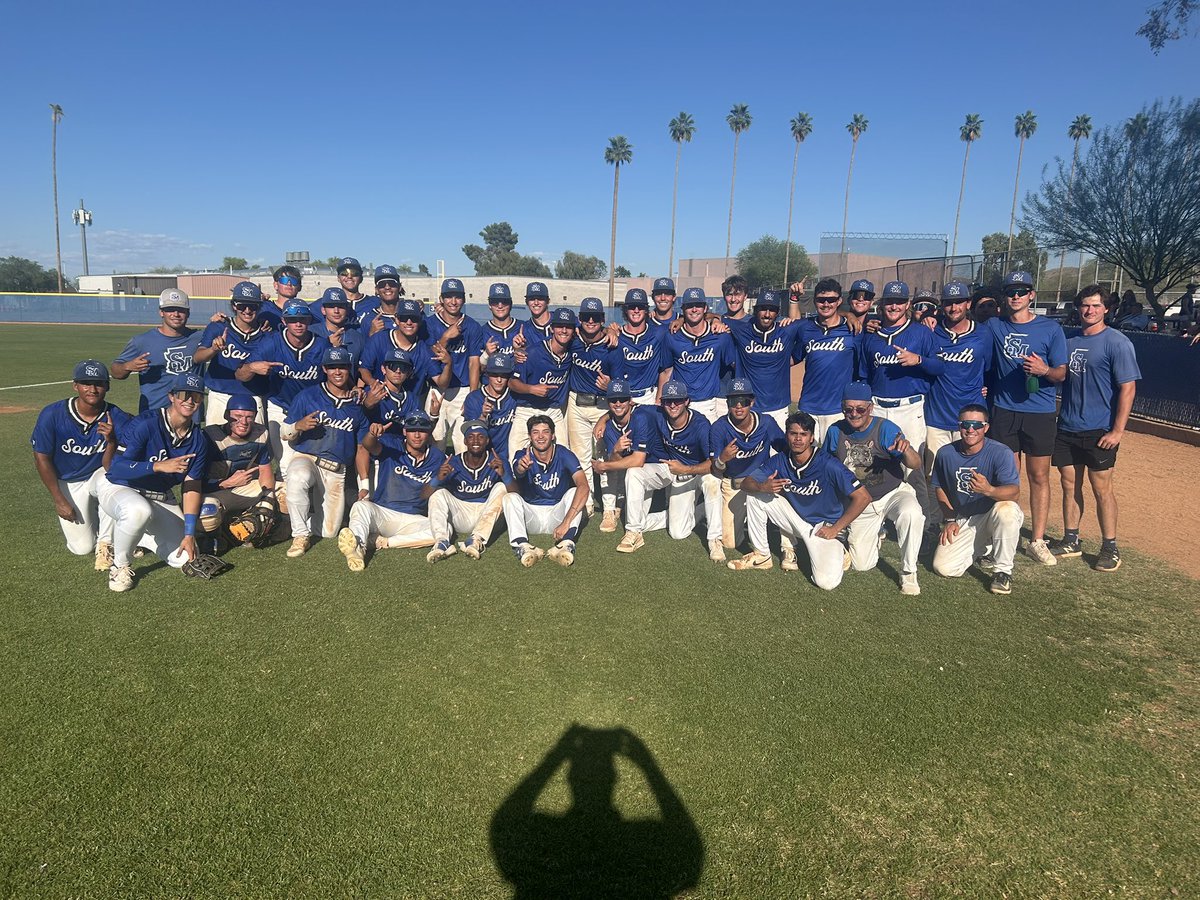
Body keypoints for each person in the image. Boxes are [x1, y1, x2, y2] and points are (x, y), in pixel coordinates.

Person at [1048, 285, 1141, 571]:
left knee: (1102, 488)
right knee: (1068, 485)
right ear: (1078, 308)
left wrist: (1117, 431)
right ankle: (1071, 539)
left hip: (1100, 429)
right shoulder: (1068, 340)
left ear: (1106, 309)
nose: (1089, 311)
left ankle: (1109, 546)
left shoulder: (1117, 342)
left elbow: (1128, 389)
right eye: (1085, 306)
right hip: (1067, 426)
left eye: (1096, 306)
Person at [982, 271, 1068, 566]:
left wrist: (1044, 371)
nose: (1015, 296)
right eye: (1010, 291)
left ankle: (1037, 540)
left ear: (1032, 294)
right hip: (1004, 411)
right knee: (1007, 476)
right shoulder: (994, 325)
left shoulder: (1050, 329)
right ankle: (1004, 539)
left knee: (1039, 476)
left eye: (1022, 291)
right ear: (1004, 298)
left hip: (1040, 413)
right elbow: (964, 320)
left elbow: (1061, 373)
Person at [730, 412, 871, 591]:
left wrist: (836, 529)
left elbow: (863, 497)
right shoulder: (780, 460)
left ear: (811, 438)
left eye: (803, 434)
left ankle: (839, 550)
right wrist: (763, 487)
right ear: (786, 435)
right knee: (755, 495)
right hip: (797, 520)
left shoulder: (828, 464)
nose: (798, 439)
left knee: (826, 583)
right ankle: (762, 555)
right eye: (793, 433)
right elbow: (747, 483)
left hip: (824, 528)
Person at [97, 372, 210, 592]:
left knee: (186, 557)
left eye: (196, 396)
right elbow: (115, 468)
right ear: (172, 396)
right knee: (138, 511)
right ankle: (119, 567)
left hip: (159, 495)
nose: (190, 400)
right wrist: (157, 466)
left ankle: (142, 536)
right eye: (185, 394)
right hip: (120, 486)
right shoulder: (146, 423)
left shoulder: (198, 439)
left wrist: (189, 533)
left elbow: (192, 486)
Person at [823, 383, 926, 594]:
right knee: (862, 565)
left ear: (870, 408)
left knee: (911, 513)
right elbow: (825, 466)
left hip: (892, 494)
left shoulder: (885, 428)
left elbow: (915, 464)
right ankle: (877, 531)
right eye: (848, 409)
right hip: (861, 503)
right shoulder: (835, 431)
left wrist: (906, 451)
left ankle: (909, 572)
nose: (854, 414)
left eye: (860, 409)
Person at [31, 360, 132, 569]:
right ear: (75, 385)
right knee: (81, 547)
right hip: (68, 481)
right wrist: (58, 499)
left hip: (98, 475)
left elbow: (116, 463)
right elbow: (41, 458)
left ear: (107, 386)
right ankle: (96, 519)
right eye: (86, 383)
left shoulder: (117, 417)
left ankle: (106, 543)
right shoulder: (53, 414)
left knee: (111, 477)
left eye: (99, 383)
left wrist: (112, 441)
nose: (92, 389)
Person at [857, 280, 945, 518]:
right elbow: (864, 375)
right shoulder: (871, 337)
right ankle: (877, 520)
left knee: (913, 467)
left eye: (899, 301)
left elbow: (940, 366)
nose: (893, 306)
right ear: (881, 304)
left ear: (907, 304)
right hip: (877, 408)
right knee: (874, 464)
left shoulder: (921, 333)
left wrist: (919, 361)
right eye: (889, 302)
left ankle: (924, 525)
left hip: (910, 407)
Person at [612, 381, 724, 562]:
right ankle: (634, 531)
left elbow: (713, 464)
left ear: (687, 401)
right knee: (678, 532)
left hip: (698, 472)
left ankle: (714, 539)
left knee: (712, 481)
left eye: (678, 401)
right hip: (672, 470)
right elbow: (628, 407)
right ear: (661, 402)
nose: (673, 405)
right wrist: (602, 420)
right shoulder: (656, 413)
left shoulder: (700, 424)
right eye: (668, 401)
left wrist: (686, 468)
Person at [280, 347, 370, 558]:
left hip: (336, 471)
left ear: (350, 369)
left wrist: (364, 485)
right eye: (332, 367)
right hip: (307, 458)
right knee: (297, 476)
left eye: (342, 367)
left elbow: (360, 448)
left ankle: (287, 517)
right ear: (324, 369)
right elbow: (284, 432)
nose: (337, 372)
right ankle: (300, 534)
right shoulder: (308, 395)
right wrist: (298, 426)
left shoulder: (357, 406)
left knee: (328, 532)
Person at [237, 299, 332, 493]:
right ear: (284, 320)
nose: (298, 324)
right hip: (280, 407)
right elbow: (240, 374)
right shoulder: (272, 342)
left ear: (309, 320)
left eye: (303, 319)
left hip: (312, 410)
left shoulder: (321, 344)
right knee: (285, 463)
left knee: (316, 461)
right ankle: (287, 511)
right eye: (292, 319)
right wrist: (252, 367)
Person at [930, 404, 1024, 595]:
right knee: (944, 568)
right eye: (966, 424)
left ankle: (1003, 572)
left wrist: (989, 490)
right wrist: (949, 519)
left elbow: (1014, 492)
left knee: (1007, 510)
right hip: (965, 517)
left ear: (986, 428)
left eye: (977, 425)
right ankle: (986, 546)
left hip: (992, 513)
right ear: (959, 426)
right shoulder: (945, 453)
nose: (971, 429)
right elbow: (940, 488)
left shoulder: (1001, 452)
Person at [339, 412, 445, 570]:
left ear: (429, 432)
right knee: (360, 506)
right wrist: (372, 434)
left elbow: (429, 493)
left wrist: (440, 478)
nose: (417, 435)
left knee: (443, 530)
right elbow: (368, 445)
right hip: (384, 513)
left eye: (422, 430)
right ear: (404, 431)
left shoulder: (438, 457)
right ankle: (358, 548)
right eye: (412, 430)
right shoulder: (391, 444)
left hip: (413, 518)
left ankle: (383, 542)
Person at [925, 281, 993, 522]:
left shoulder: (984, 333)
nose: (953, 307)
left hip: (971, 418)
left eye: (958, 302)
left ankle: (971, 522)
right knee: (934, 474)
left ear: (968, 304)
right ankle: (934, 523)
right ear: (941, 306)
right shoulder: (931, 331)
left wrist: (985, 390)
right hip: (937, 416)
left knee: (972, 475)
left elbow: (990, 369)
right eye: (948, 303)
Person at [708, 379, 786, 552]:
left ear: (752, 401)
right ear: (727, 403)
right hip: (733, 484)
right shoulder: (719, 428)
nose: (738, 406)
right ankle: (706, 510)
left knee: (787, 502)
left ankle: (788, 548)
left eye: (743, 401)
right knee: (730, 543)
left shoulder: (766, 422)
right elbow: (716, 469)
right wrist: (722, 458)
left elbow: (785, 451)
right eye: (733, 402)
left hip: (761, 480)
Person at [503, 415, 589, 567]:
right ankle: (522, 546)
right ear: (529, 436)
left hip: (557, 514)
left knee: (575, 492)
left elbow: (584, 485)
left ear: (553, 435)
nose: (540, 436)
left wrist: (566, 522)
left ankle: (566, 544)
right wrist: (522, 468)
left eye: (545, 432)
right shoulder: (522, 455)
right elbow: (519, 470)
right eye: (535, 432)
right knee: (510, 498)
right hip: (531, 516)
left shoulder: (564, 453)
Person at [199, 393, 276, 550]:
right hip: (213, 492)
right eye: (238, 416)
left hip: (243, 488)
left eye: (249, 417)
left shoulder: (260, 434)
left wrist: (268, 500)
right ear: (227, 415)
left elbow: (265, 471)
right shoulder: (209, 437)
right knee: (207, 512)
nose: (244, 422)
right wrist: (226, 483)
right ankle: (213, 536)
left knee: (282, 492)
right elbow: (194, 482)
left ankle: (268, 532)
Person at [425, 420, 510, 562]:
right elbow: (424, 495)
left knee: (502, 487)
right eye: (471, 437)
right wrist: (437, 479)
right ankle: (442, 542)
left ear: (487, 440)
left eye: (480, 437)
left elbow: (516, 494)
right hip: (461, 514)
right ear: (465, 441)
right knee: (438, 493)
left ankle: (476, 540)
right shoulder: (453, 462)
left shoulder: (497, 460)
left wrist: (504, 475)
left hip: (487, 515)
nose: (476, 440)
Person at [590, 380, 665, 535]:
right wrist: (616, 451)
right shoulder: (610, 427)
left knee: (632, 472)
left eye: (623, 399)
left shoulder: (642, 416)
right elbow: (615, 464)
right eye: (613, 400)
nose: (618, 403)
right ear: (608, 402)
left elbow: (638, 460)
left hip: (664, 464)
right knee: (640, 523)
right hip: (642, 471)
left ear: (630, 400)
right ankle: (612, 509)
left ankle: (685, 513)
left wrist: (603, 466)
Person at [110, 288, 204, 413]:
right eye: (170, 309)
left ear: (188, 313)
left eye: (181, 310)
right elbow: (116, 372)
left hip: (189, 413)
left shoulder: (200, 337)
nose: (176, 314)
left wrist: (218, 320)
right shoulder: (142, 341)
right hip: (153, 413)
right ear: (161, 312)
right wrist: (127, 366)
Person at [195, 281, 274, 425]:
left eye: (253, 305)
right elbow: (198, 357)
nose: (247, 310)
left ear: (260, 307)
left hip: (253, 396)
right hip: (220, 395)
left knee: (255, 445)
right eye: (242, 305)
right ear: (234, 306)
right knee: (216, 443)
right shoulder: (218, 328)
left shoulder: (267, 335)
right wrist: (213, 349)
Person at [724, 290, 803, 429]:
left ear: (777, 312)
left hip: (778, 407)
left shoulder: (785, 331)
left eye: (772, 310)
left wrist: (849, 315)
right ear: (756, 311)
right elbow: (711, 318)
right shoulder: (742, 329)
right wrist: (714, 320)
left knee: (778, 450)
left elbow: (806, 323)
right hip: (748, 406)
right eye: (763, 309)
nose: (767, 314)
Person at [793, 278, 860, 440]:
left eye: (831, 300)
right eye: (821, 300)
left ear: (839, 301)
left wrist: (849, 315)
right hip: (808, 405)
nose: (826, 304)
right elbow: (793, 326)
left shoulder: (853, 330)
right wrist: (794, 298)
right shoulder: (806, 328)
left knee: (837, 461)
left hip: (838, 409)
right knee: (804, 458)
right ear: (815, 301)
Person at [425, 278, 485, 451]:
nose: (453, 301)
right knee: (436, 441)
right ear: (441, 299)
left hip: (463, 389)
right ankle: (437, 478)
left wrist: (473, 397)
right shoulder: (430, 324)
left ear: (463, 299)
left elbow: (474, 363)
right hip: (437, 388)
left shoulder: (472, 326)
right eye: (448, 296)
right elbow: (429, 358)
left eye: (457, 297)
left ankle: (461, 478)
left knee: (462, 442)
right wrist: (445, 337)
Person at [565, 298, 615, 504]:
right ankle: (587, 501)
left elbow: (619, 383)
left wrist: (610, 386)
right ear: (580, 319)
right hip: (576, 403)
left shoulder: (612, 345)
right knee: (581, 456)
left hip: (602, 405)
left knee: (605, 456)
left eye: (596, 317)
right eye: (586, 316)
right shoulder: (573, 340)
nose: (591, 320)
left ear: (603, 319)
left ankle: (610, 506)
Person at [663, 287, 735, 422]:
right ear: (683, 309)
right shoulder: (672, 336)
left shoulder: (720, 336)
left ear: (705, 308)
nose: (694, 309)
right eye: (690, 306)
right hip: (680, 403)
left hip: (709, 404)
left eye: (698, 305)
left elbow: (735, 366)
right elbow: (666, 371)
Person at [510, 307, 577, 451]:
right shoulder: (532, 353)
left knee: (562, 455)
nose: (564, 330)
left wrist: (610, 330)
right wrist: (531, 389)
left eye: (568, 327)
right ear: (552, 328)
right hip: (527, 409)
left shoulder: (573, 351)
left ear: (574, 331)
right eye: (559, 326)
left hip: (553, 410)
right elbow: (512, 383)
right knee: (516, 455)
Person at [610, 289, 671, 406]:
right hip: (622, 398)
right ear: (626, 310)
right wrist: (607, 330)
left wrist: (658, 400)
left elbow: (665, 370)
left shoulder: (659, 333)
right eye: (632, 307)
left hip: (649, 396)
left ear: (646, 310)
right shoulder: (617, 336)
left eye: (640, 307)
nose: (636, 310)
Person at [462, 354, 519, 471]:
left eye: (503, 375)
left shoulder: (516, 396)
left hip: (510, 456)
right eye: (494, 374)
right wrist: (482, 416)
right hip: (484, 458)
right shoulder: (474, 398)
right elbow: (472, 436)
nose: (499, 380)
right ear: (487, 375)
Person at [713, 275, 751, 417]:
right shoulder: (717, 323)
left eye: (738, 294)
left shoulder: (754, 323)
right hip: (722, 393)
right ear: (724, 296)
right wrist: (715, 320)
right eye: (729, 294)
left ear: (745, 296)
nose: (734, 299)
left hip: (747, 391)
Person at [362, 347, 424, 428]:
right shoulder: (372, 391)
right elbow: (359, 419)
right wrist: (366, 405)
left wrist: (434, 416)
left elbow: (420, 429)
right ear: (383, 369)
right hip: (377, 438)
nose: (398, 371)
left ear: (408, 373)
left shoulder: (413, 400)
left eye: (403, 368)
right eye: (393, 366)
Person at [310, 287, 367, 367]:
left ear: (347, 309)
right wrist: (328, 345)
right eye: (331, 306)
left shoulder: (357, 338)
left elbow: (361, 371)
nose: (336, 311)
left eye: (340, 306)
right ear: (323, 310)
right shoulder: (311, 333)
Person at [481, 282, 522, 367]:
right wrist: (486, 355)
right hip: (491, 380)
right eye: (495, 302)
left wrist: (521, 350)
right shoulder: (481, 332)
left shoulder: (524, 328)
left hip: (517, 379)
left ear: (511, 304)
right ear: (489, 305)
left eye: (504, 301)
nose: (500, 306)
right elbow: (477, 370)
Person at [259, 265, 304, 330]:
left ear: (299, 287)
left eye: (293, 281)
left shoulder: (304, 311)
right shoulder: (264, 308)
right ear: (276, 285)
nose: (289, 284)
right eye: (284, 280)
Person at [364, 264, 405, 333]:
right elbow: (363, 343)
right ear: (376, 289)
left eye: (392, 283)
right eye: (382, 284)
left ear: (399, 287)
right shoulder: (369, 320)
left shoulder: (412, 314)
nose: (387, 287)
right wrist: (372, 334)